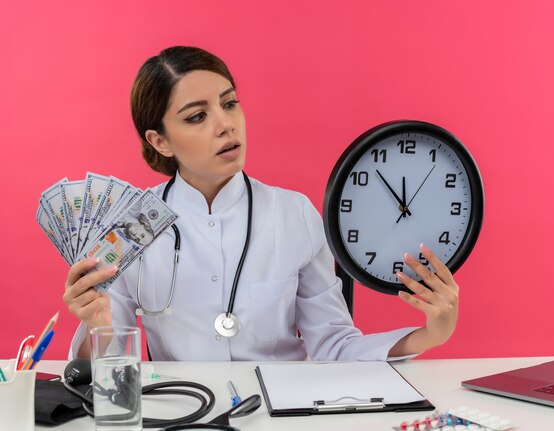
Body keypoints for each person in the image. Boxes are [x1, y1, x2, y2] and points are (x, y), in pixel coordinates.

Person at [63, 46, 460, 361]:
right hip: (185, 412)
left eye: (230, 103)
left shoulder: (294, 215)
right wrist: (96, 325)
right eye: (198, 116)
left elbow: (334, 346)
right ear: (160, 141)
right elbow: (105, 369)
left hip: (282, 412)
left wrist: (429, 334)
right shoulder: (129, 226)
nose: (226, 124)